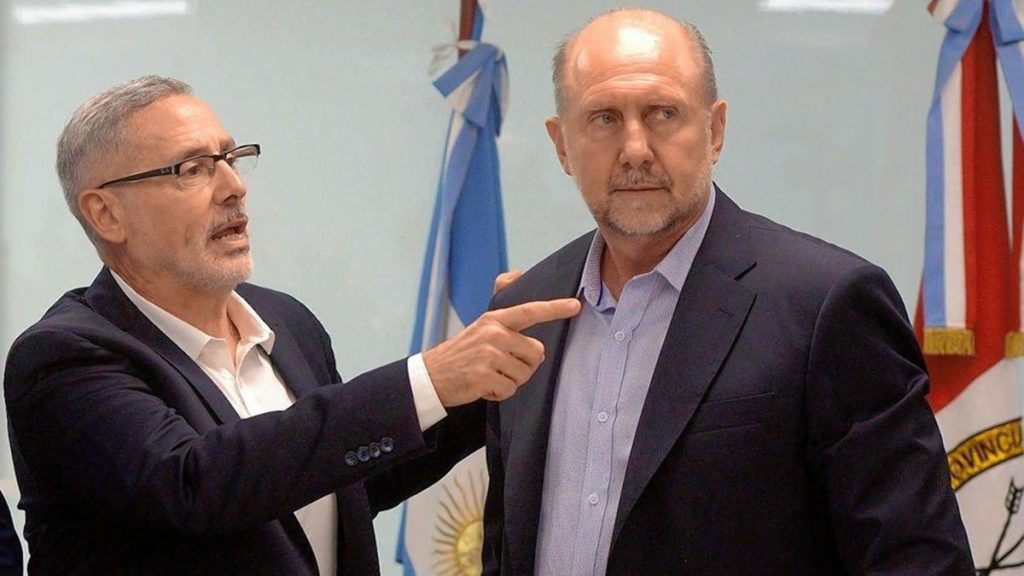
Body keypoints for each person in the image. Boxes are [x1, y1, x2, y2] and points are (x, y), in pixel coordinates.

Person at [4, 75, 580, 576]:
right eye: (192, 169)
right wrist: (426, 380)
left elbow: (343, 479)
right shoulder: (63, 356)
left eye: (231, 158)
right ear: (106, 213)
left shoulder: (286, 322)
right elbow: (196, 483)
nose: (234, 187)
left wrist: (483, 377)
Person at [481, 8, 973, 575]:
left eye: (663, 113)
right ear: (562, 145)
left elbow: (917, 561)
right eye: (604, 118)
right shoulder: (524, 314)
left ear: (714, 131)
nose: (635, 148)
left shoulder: (827, 306)